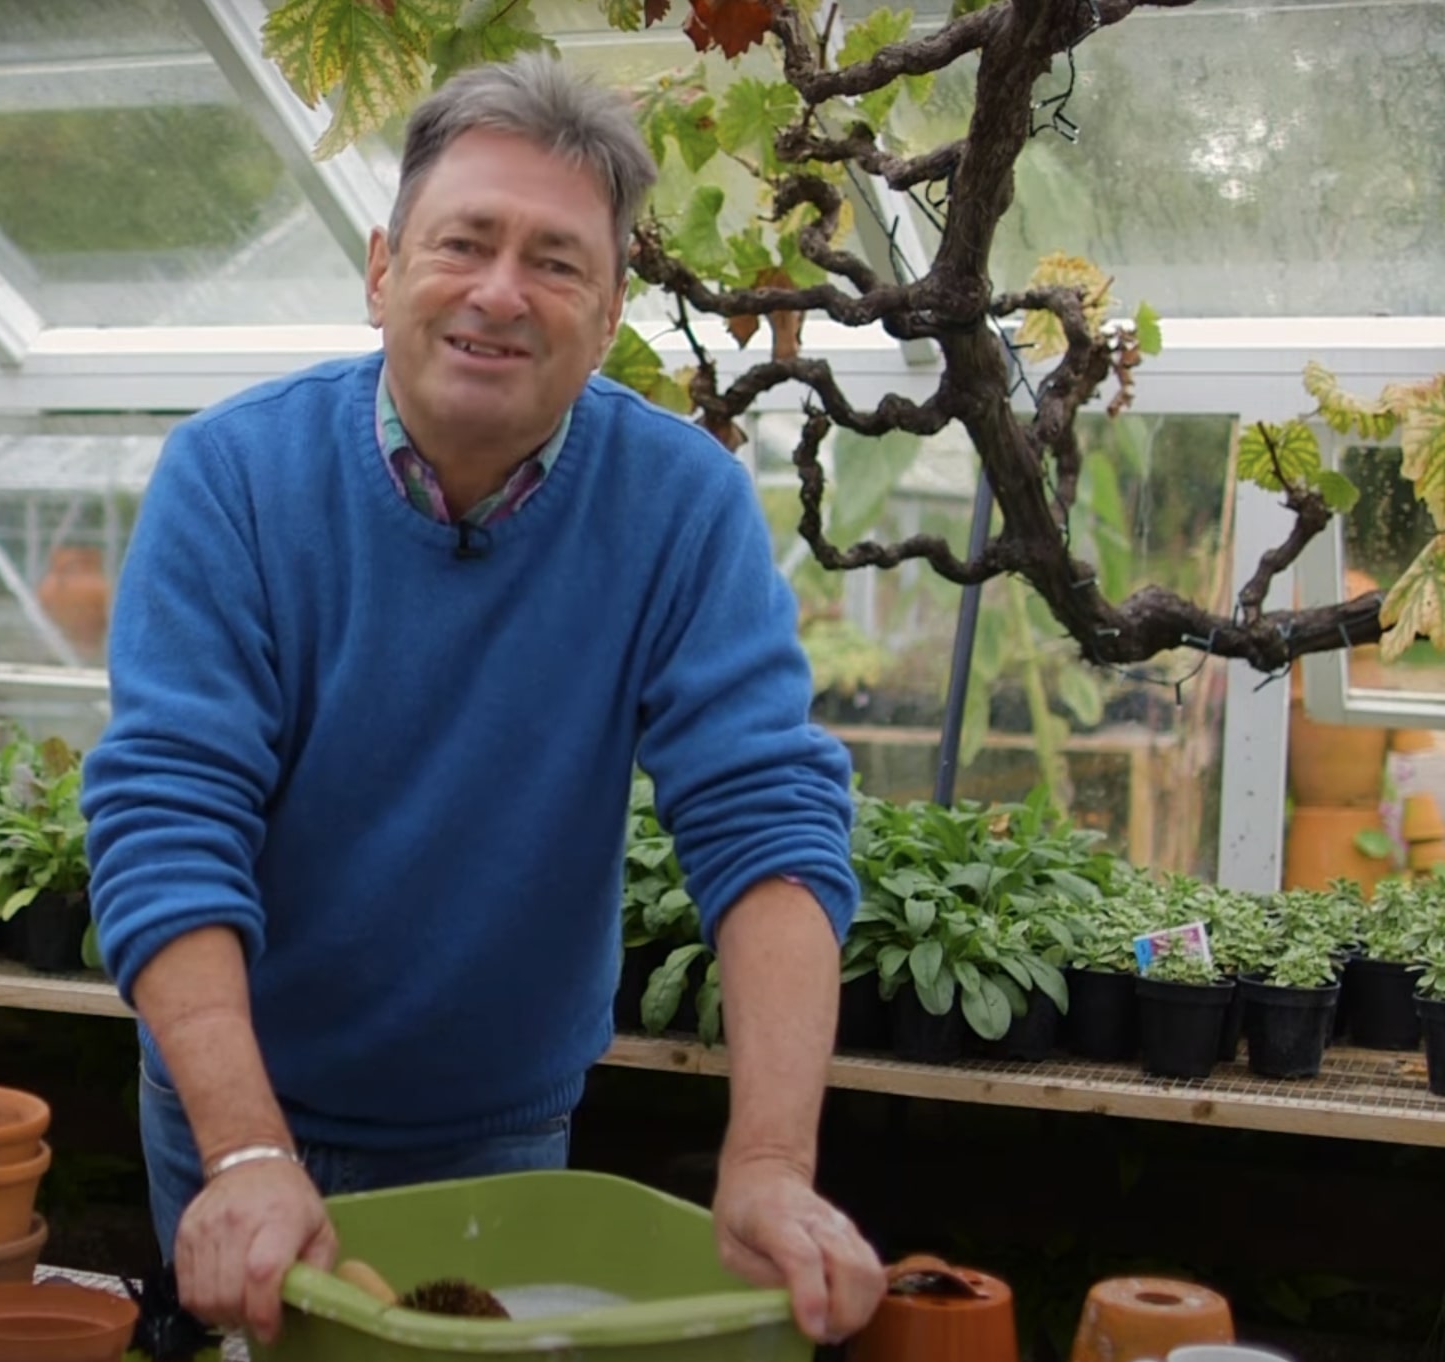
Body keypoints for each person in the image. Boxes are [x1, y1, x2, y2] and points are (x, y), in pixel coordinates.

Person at [81, 51, 881, 1350]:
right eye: (466, 242)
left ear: (610, 307)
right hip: (238, 1107)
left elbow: (766, 817)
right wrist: (242, 1154)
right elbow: (168, 814)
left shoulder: (680, 504)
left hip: (502, 1125)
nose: (502, 293)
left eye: (557, 262)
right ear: (383, 266)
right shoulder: (232, 478)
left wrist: (774, 1158)